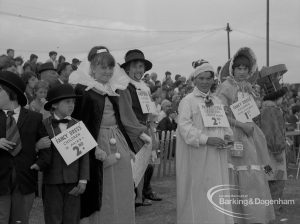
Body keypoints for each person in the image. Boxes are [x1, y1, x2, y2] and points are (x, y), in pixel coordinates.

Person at [71, 46, 150, 224]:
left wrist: (128, 146)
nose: (107, 71)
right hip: (98, 144)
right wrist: (94, 147)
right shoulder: (84, 91)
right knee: (103, 190)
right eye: (102, 67)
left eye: (110, 67)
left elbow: (120, 119)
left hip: (118, 141)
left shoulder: (113, 90)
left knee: (123, 187)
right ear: (92, 68)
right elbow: (78, 124)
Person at [216, 47, 275, 224]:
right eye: (239, 68)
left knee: (254, 173)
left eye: (245, 69)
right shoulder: (225, 87)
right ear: (232, 69)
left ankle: (255, 216)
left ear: (250, 71)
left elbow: (252, 112)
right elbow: (220, 115)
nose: (242, 72)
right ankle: (234, 217)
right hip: (233, 135)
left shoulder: (249, 88)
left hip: (251, 136)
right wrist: (240, 124)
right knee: (237, 173)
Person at [176, 59, 234, 224]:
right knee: (199, 190)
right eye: (201, 78)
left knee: (217, 188)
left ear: (213, 80)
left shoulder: (216, 100)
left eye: (208, 78)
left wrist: (228, 136)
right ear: (195, 80)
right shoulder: (188, 101)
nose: (205, 82)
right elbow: (184, 127)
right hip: (198, 155)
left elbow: (223, 123)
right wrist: (207, 140)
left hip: (217, 155)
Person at [0, 71, 51, 224]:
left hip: (25, 179)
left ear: (11, 93)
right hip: (0, 181)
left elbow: (46, 146)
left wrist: (40, 163)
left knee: (20, 220)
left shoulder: (34, 118)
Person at [42, 84, 89, 224]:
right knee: (53, 217)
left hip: (74, 180)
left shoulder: (79, 124)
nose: (72, 105)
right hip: (51, 180)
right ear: (54, 104)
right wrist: (37, 146)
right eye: (67, 102)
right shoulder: (43, 124)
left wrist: (83, 179)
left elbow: (84, 154)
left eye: (73, 102)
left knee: (72, 218)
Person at [119, 49, 160, 206]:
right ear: (128, 68)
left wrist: (151, 130)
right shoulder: (124, 87)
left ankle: (139, 197)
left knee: (143, 165)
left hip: (145, 129)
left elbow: (150, 112)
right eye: (135, 66)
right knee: (132, 166)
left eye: (141, 66)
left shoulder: (145, 87)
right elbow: (126, 113)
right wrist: (140, 132)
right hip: (131, 132)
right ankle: (130, 200)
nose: (139, 70)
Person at [258, 64, 288, 216]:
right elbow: (272, 132)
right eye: (283, 97)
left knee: (269, 178)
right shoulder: (272, 110)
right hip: (273, 153)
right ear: (277, 97)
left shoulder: (265, 108)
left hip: (267, 152)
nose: (284, 100)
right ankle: (273, 209)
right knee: (277, 180)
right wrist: (277, 150)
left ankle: (271, 208)